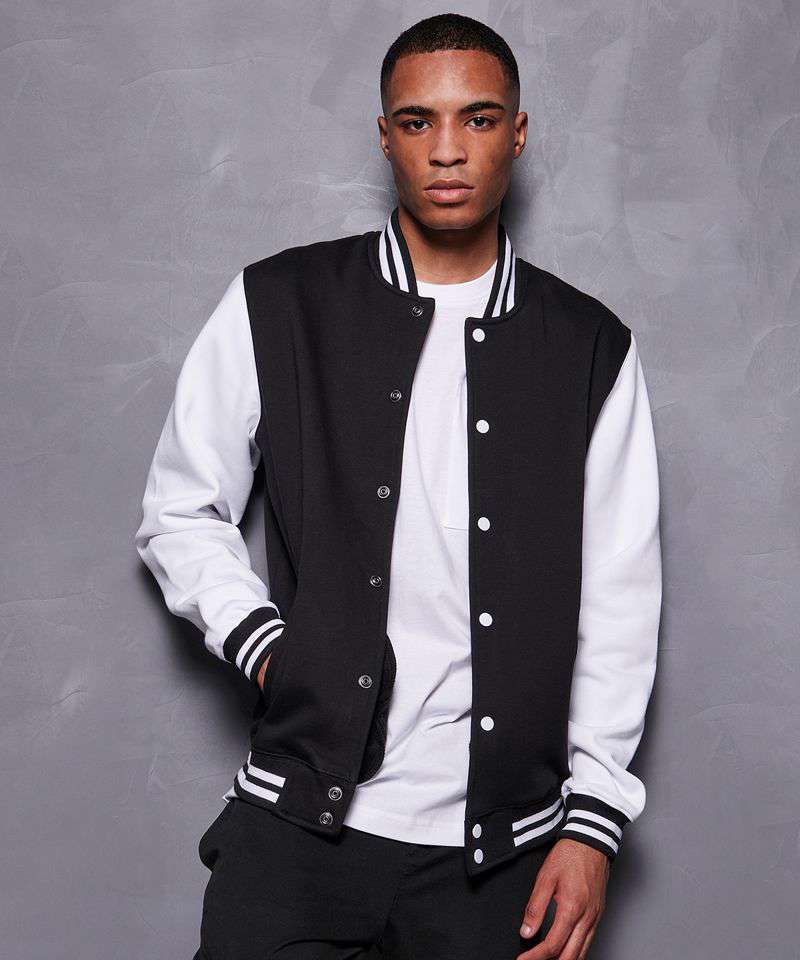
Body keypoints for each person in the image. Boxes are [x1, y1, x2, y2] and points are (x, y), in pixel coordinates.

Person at [134, 12, 662, 960]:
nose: (447, 150)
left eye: (478, 118)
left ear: (518, 133)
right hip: (298, 830)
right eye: (418, 122)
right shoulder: (279, 303)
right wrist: (270, 650)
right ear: (385, 136)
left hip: (501, 860)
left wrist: (593, 824)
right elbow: (179, 509)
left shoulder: (589, 347)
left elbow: (620, 601)